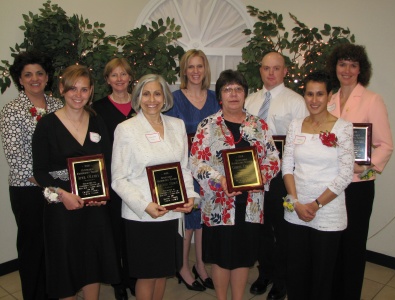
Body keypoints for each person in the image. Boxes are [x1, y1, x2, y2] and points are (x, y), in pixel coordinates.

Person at [189, 69, 280, 300]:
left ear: (245, 94)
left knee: (243, 258)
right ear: (220, 95)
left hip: (250, 204)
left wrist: (256, 177)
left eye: (238, 89)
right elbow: (196, 162)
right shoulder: (207, 125)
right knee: (221, 258)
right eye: (227, 89)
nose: (233, 94)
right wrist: (219, 179)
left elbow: (273, 160)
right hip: (219, 202)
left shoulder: (259, 126)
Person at [32, 65, 120, 299]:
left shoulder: (97, 121)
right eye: (72, 89)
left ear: (91, 91)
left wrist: (102, 194)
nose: (78, 95)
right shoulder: (47, 125)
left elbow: (109, 161)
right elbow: (39, 172)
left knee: (93, 261)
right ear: (61, 89)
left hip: (94, 205)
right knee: (65, 264)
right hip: (62, 204)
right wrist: (62, 195)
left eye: (83, 89)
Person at [111, 74, 197, 300]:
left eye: (157, 93)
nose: (152, 99)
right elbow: (118, 179)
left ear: (165, 97)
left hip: (172, 213)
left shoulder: (177, 126)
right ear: (138, 98)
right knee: (147, 275)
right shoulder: (126, 129)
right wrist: (145, 205)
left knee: (163, 273)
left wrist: (190, 196)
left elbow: (184, 169)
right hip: (142, 215)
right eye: (146, 93)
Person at [326, 44, 394, 300]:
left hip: (358, 186)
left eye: (353, 65)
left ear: (360, 70)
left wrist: (363, 168)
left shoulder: (371, 100)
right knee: (334, 243)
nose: (347, 70)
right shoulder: (329, 100)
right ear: (335, 67)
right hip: (332, 185)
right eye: (342, 64)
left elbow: (385, 146)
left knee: (353, 245)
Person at [282, 71, 354, 300]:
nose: (314, 100)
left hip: (327, 212)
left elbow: (345, 175)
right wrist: (295, 202)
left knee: (322, 278)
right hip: (296, 209)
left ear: (329, 96)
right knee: (296, 274)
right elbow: (287, 167)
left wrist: (315, 205)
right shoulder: (295, 125)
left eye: (320, 94)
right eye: (309, 94)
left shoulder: (342, 128)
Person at [244, 51, 308, 299]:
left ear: (285, 71)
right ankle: (265, 273)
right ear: (260, 70)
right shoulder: (249, 100)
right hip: (252, 176)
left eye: (276, 68)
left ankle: (282, 280)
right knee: (259, 228)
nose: (270, 73)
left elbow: (301, 142)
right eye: (266, 68)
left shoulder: (296, 102)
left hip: (282, 177)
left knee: (281, 230)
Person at [0, 50, 63, 300]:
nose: (34, 78)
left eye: (39, 73)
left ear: (47, 77)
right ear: (20, 79)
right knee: (32, 247)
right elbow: (16, 157)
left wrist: (61, 183)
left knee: (55, 245)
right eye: (28, 75)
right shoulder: (12, 110)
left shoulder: (59, 105)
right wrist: (46, 182)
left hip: (58, 187)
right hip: (28, 190)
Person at [164, 49, 220, 291]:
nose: (195, 71)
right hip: (185, 167)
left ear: (205, 69)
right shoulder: (174, 99)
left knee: (205, 218)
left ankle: (200, 264)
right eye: (191, 67)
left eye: (200, 66)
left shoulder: (216, 97)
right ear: (184, 71)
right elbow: (168, 135)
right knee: (188, 217)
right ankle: (182, 267)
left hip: (210, 169)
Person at [92, 57, 136, 300]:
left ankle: (132, 276)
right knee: (114, 233)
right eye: (114, 75)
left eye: (123, 74)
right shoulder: (97, 109)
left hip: (137, 180)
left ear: (130, 77)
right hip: (110, 180)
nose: (119, 79)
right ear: (107, 79)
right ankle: (118, 280)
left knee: (132, 231)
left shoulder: (141, 105)